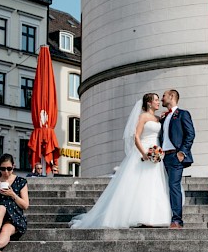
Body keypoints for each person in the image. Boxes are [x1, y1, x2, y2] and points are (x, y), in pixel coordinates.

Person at [70, 93, 172, 228]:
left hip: (156, 154)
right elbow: (136, 136)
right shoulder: (143, 117)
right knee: (140, 185)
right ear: (149, 103)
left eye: (159, 100)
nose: (158, 102)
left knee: (154, 184)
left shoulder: (159, 118)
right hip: (144, 152)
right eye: (156, 100)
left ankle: (154, 216)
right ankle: (138, 215)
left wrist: (158, 152)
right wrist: (144, 153)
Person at [0, 153, 29, 252]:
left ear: (13, 167)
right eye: (3, 169)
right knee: (1, 207)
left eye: (9, 168)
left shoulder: (20, 181)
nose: (6, 172)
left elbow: (25, 205)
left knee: (6, 230)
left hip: (14, 216)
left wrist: (13, 194)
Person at [160, 89, 194, 229]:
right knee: (163, 187)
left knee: (174, 186)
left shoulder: (182, 114)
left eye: (164, 96)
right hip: (162, 157)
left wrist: (182, 152)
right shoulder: (164, 117)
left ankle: (177, 220)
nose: (162, 99)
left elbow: (190, 134)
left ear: (172, 96)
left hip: (175, 156)